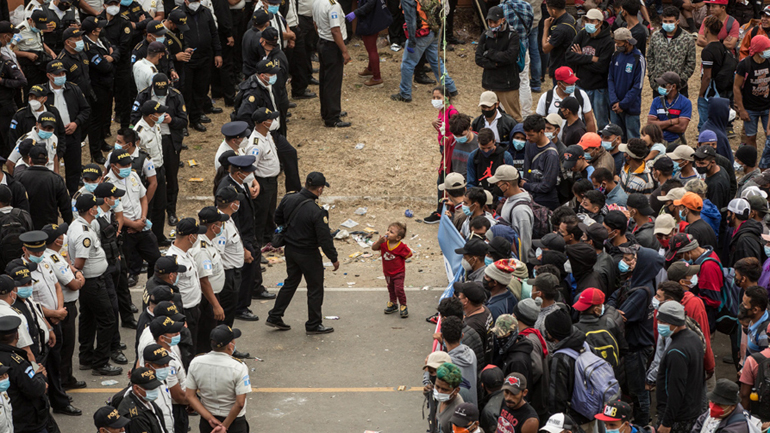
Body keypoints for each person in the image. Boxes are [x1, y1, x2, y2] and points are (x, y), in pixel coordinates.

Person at [267, 172, 338, 334]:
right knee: (315, 288)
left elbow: (277, 218)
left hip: (291, 250)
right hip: (308, 253)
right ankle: (313, 324)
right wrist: (333, 258)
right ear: (320, 189)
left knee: (291, 282)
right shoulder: (317, 211)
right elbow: (324, 238)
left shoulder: (289, 198)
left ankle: (275, 315)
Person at [68, 193, 122, 376]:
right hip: (92, 282)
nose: (98, 208)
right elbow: (79, 262)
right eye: (95, 206)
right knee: (107, 320)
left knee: (88, 319)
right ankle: (100, 362)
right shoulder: (84, 233)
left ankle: (86, 357)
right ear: (91, 210)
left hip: (91, 282)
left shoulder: (77, 225)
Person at [656, 301, 705, 433]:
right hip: (693, 410)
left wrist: (666, 422)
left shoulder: (676, 352)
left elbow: (676, 390)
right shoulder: (694, 338)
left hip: (678, 418)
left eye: (662, 322)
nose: (659, 325)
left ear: (674, 322)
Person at [565, 8, 613, 131]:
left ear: (600, 23)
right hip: (581, 85)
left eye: (592, 21)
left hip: (599, 88)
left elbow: (601, 67)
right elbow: (569, 55)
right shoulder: (582, 34)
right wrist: (591, 58)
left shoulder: (608, 41)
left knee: (602, 121)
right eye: (587, 20)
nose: (588, 24)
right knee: (579, 119)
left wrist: (580, 59)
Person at [0, 314, 49, 433]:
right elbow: (37, 389)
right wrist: (40, 375)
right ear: (17, 336)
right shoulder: (17, 362)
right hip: (26, 421)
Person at [475, 7, 522, 122]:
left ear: (502, 20)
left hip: (508, 84)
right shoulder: (486, 35)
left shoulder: (512, 35)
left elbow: (510, 56)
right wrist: (496, 64)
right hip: (490, 83)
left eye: (495, 22)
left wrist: (490, 53)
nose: (492, 25)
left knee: (514, 117)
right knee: (488, 115)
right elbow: (478, 58)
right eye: (490, 22)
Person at [544, 308, 589, 425]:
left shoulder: (559, 358)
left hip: (575, 417)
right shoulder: (585, 344)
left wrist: (555, 424)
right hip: (591, 409)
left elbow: (557, 398)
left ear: (552, 333)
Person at [16, 145, 72, 230]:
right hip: (49, 229)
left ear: (30, 160)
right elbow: (65, 207)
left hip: (25, 228)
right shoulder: (56, 179)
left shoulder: (19, 177)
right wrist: (67, 226)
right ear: (47, 160)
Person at [647, 7, 696, 97]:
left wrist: (682, 80)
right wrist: (652, 77)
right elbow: (650, 57)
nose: (667, 24)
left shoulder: (687, 39)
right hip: (659, 86)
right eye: (665, 21)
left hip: (679, 88)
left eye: (671, 21)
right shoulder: (655, 36)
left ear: (677, 21)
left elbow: (691, 62)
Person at [490, 165, 533, 261]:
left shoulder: (520, 210)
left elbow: (525, 243)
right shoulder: (509, 199)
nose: (496, 187)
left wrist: (521, 265)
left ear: (507, 185)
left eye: (498, 184)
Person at [608, 28, 645, 140]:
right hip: (615, 108)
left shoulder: (638, 58)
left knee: (633, 140)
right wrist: (614, 101)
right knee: (617, 140)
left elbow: (637, 86)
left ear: (627, 42)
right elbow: (610, 79)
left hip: (631, 108)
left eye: (618, 43)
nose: (616, 45)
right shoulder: (615, 55)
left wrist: (623, 104)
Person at [535, 66, 597, 134]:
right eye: (569, 83)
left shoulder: (581, 95)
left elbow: (589, 120)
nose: (572, 85)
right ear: (559, 84)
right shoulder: (546, 97)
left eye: (573, 82)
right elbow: (538, 122)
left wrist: (592, 138)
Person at [735, 35, 770, 149]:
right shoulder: (744, 65)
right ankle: (752, 159)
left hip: (767, 107)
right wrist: (741, 110)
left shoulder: (769, 61)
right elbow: (736, 87)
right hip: (750, 108)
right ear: (759, 50)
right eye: (766, 48)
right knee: (750, 138)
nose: (768, 51)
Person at [372, 222, 412, 318]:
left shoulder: (401, 247)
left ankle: (403, 305)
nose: (387, 233)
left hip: (398, 273)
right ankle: (393, 303)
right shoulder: (383, 243)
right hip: (387, 273)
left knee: (399, 289)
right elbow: (373, 248)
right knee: (391, 288)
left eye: (391, 232)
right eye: (388, 230)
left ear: (398, 238)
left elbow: (409, 254)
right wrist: (379, 242)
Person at [521, 115, 560, 209]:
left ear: (541, 132)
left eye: (531, 135)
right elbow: (527, 168)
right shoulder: (530, 144)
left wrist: (526, 185)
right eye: (526, 134)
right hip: (530, 196)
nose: (527, 138)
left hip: (545, 202)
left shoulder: (551, 155)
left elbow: (547, 186)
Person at [647, 72, 692, 147]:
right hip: (659, 142)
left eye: (663, 85)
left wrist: (659, 124)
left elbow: (681, 128)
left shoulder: (685, 102)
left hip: (677, 142)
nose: (660, 87)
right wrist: (672, 122)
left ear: (673, 86)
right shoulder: (656, 101)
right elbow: (650, 124)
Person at [118, 367, 167, 433]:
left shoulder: (146, 400)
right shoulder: (136, 418)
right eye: (150, 388)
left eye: (155, 387)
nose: (154, 390)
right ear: (136, 389)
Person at [541, 0, 577, 81]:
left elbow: (545, 49)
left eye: (548, 9)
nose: (547, 11)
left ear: (553, 11)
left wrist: (545, 27)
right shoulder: (570, 18)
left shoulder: (561, 29)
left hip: (561, 69)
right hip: (569, 66)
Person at [724, 199, 763, 267]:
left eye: (728, 214)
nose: (727, 216)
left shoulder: (745, 240)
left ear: (733, 215)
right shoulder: (740, 233)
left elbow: (750, 268)